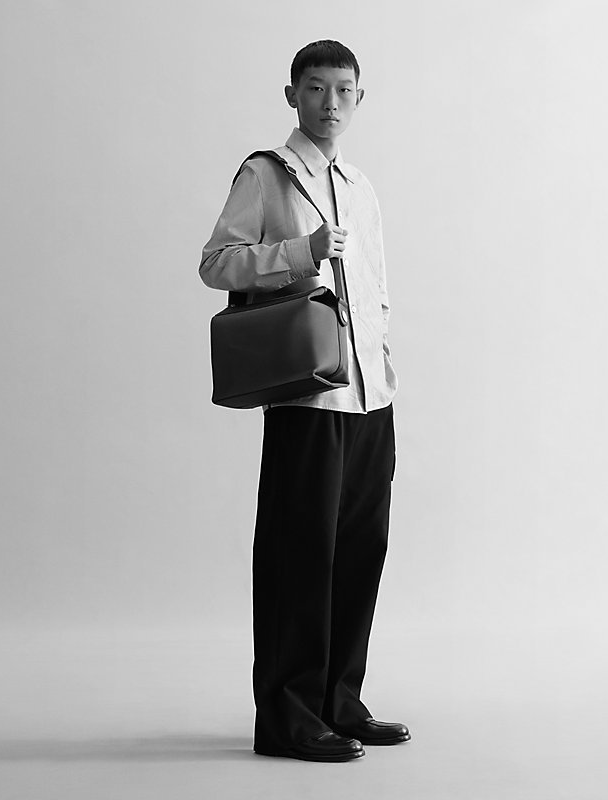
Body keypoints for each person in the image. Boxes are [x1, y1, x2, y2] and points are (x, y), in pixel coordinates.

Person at [199, 40, 408, 763]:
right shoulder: (267, 174)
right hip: (309, 396)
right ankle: (289, 717)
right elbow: (216, 263)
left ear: (359, 99)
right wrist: (303, 250)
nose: (330, 103)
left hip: (370, 396)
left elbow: (377, 288)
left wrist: (384, 364)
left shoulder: (361, 186)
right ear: (292, 95)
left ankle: (339, 702)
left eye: (343, 90)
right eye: (315, 88)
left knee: (360, 551)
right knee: (300, 554)